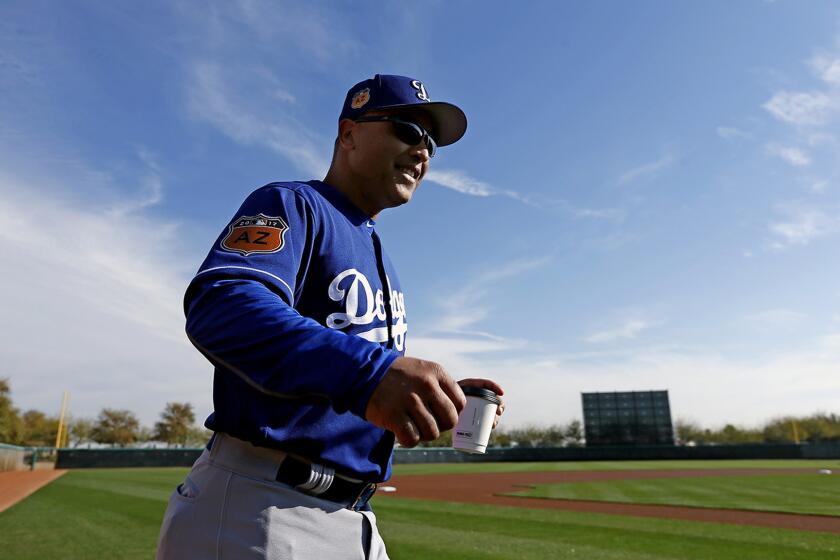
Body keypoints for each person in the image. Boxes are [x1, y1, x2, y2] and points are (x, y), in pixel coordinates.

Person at [156, 74, 505, 560]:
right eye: (408, 128)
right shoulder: (294, 204)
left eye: (431, 142)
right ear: (349, 134)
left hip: (354, 517)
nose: (422, 150)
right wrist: (372, 373)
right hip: (263, 508)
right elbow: (223, 303)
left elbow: (355, 383)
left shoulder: (378, 250)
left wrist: (433, 396)